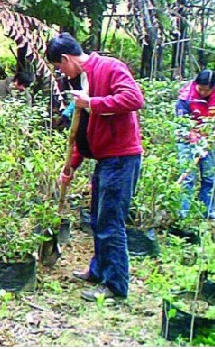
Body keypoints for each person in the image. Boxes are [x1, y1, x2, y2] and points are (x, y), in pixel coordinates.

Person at [48, 33, 144, 302]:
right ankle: (99, 270)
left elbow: (134, 99)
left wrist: (92, 103)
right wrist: (71, 166)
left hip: (121, 158)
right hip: (105, 159)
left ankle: (115, 286)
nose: (62, 73)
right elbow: (83, 131)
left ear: (66, 58)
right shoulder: (82, 80)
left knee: (111, 222)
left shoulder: (109, 67)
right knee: (98, 219)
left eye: (60, 67)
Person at [175, 70, 215, 219]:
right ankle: (183, 215)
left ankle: (207, 211)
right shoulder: (186, 96)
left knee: (210, 177)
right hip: (188, 141)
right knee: (188, 177)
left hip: (211, 139)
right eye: (200, 89)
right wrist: (194, 138)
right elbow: (181, 123)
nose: (203, 92)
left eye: (207, 90)